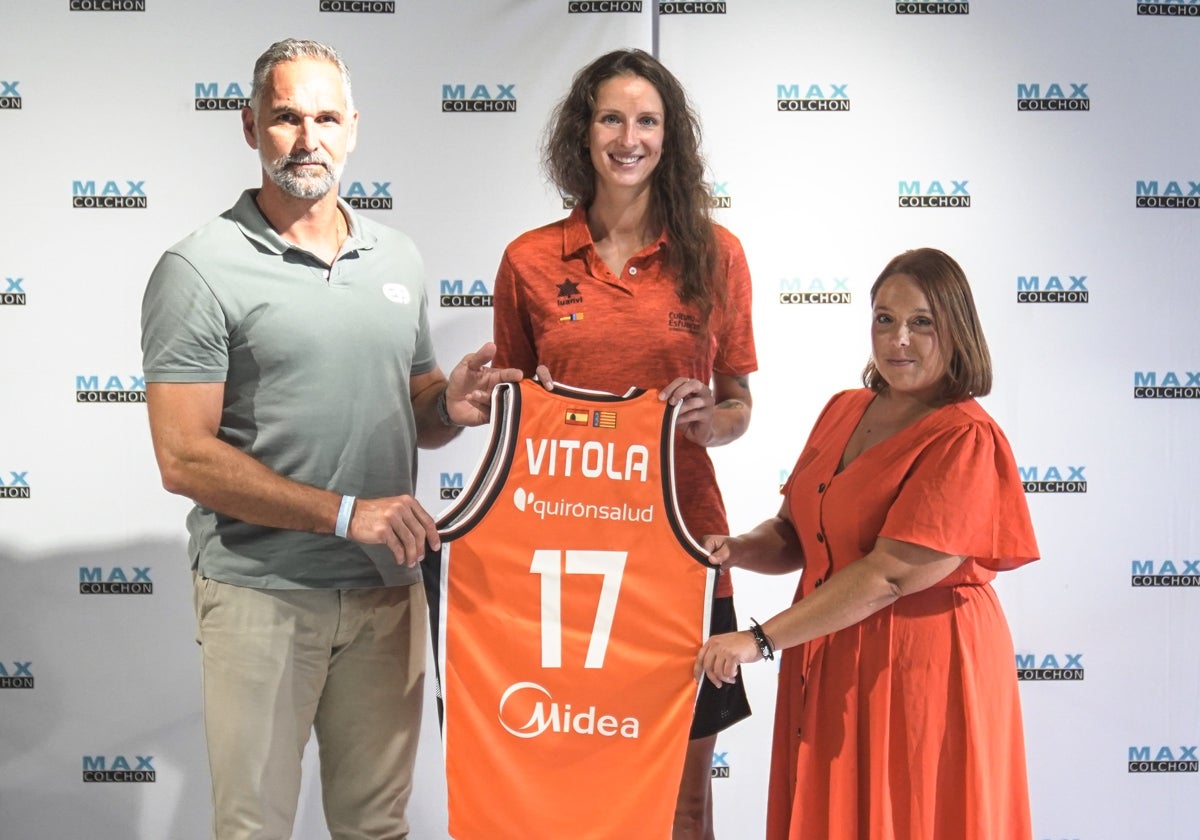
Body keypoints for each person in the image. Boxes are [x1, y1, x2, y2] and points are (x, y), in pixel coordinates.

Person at [140, 38, 521, 840]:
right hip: (260, 592)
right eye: (285, 117)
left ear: (353, 128)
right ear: (250, 128)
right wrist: (348, 513)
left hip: (386, 590)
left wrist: (445, 404)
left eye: (324, 117)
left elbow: (411, 402)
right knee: (254, 828)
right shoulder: (197, 268)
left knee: (377, 827)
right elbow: (183, 457)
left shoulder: (398, 256)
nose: (306, 137)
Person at [491, 48, 757, 839]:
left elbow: (740, 404)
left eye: (647, 121)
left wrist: (711, 417)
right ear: (583, 131)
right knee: (573, 786)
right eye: (612, 118)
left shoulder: (717, 253)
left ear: (671, 138)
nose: (628, 137)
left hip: (684, 549)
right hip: (563, 553)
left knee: (682, 799)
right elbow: (511, 414)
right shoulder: (528, 261)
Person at [695, 247, 1039, 840]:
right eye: (884, 318)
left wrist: (759, 640)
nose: (898, 338)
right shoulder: (843, 409)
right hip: (828, 654)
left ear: (957, 329)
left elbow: (890, 575)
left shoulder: (967, 436)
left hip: (919, 667)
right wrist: (737, 548)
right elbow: (798, 534)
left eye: (921, 322)